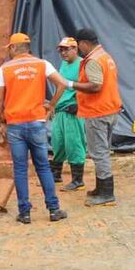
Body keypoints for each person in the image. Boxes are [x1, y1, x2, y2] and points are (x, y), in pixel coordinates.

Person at [0, 33, 71, 224]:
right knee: (43, 166)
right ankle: (53, 209)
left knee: (20, 169)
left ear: (13, 48)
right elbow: (62, 84)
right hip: (37, 123)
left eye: (9, 48)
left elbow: (0, 99)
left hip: (15, 125)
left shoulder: (5, 69)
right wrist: (51, 106)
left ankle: (24, 213)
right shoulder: (42, 64)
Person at [71, 28, 123, 207]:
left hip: (97, 112)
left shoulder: (93, 60)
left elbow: (95, 86)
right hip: (110, 110)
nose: (79, 49)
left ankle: (107, 193)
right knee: (103, 151)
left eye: (79, 45)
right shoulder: (105, 56)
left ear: (84, 43)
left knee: (99, 152)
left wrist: (73, 84)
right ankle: (101, 188)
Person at [47, 37, 87, 192]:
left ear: (75, 49)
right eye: (61, 50)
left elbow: (88, 86)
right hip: (60, 109)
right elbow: (61, 86)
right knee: (58, 142)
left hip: (73, 110)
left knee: (74, 143)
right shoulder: (64, 64)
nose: (63, 53)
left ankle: (78, 180)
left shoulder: (82, 64)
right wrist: (53, 104)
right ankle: (55, 174)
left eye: (66, 49)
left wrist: (79, 104)